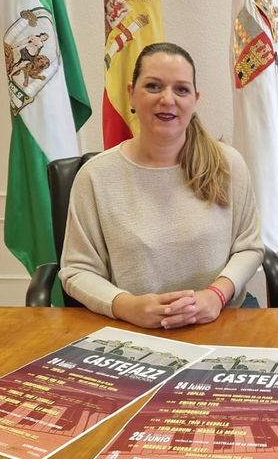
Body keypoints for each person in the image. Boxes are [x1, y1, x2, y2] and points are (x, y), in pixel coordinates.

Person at [60, 42, 264, 329]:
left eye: (181, 89)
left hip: (221, 317)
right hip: (132, 325)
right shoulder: (95, 176)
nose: (168, 100)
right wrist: (127, 306)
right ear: (131, 93)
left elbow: (249, 248)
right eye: (153, 86)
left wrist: (216, 295)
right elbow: (77, 270)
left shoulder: (228, 164)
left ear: (195, 99)